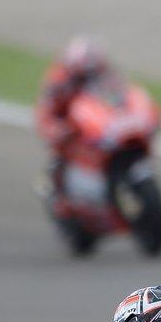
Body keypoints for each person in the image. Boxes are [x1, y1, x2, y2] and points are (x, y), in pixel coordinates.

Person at [34, 36, 113, 208]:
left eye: (92, 73)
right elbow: (45, 112)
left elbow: (120, 96)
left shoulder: (105, 75)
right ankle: (55, 181)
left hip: (100, 122)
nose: (88, 79)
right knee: (59, 155)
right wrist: (55, 130)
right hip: (69, 124)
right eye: (83, 76)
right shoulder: (57, 81)